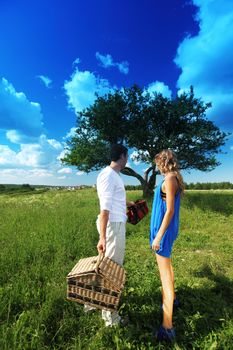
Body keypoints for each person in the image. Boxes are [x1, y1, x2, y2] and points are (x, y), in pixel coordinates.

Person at [95, 143, 133, 326]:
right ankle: (111, 320)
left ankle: (96, 302)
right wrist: (102, 237)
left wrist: (129, 203)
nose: (128, 159)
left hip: (116, 224)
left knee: (107, 268)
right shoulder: (108, 176)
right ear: (122, 156)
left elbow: (116, 198)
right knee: (112, 271)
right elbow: (105, 209)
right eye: (127, 156)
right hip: (112, 227)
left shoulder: (114, 175)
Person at [149, 149, 184, 342]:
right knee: (167, 268)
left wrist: (158, 237)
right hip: (165, 230)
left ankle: (167, 326)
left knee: (164, 278)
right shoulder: (172, 177)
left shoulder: (170, 179)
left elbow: (169, 210)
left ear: (163, 162)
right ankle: (174, 299)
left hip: (164, 231)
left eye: (158, 163)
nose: (157, 167)